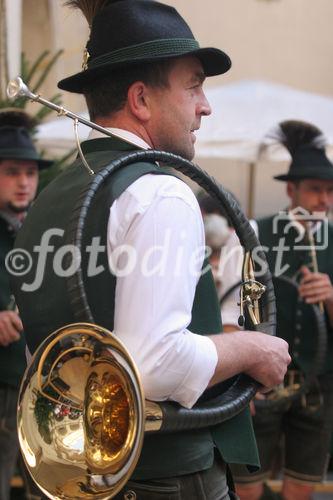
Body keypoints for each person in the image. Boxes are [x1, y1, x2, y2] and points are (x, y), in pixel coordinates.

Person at [11, 2, 290, 499]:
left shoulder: (50, 194)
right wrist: (254, 348)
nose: (205, 105)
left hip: (73, 474)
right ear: (140, 99)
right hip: (164, 476)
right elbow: (154, 363)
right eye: (194, 84)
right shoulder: (159, 190)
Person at [224, 120, 333, 500]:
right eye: (316, 190)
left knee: (301, 489)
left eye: (330, 191)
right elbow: (229, 315)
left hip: (318, 387)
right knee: (246, 490)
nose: (325, 200)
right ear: (292, 189)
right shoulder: (256, 233)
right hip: (261, 385)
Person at [0, 110, 53, 500]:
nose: (24, 182)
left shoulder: (47, 230)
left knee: (52, 489)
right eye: (13, 171)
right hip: (2, 383)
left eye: (30, 173)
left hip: (45, 387)